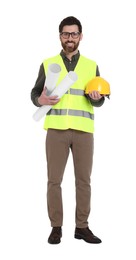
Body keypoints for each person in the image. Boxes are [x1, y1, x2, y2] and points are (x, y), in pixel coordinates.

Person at [31, 16, 105, 244]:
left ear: (80, 36)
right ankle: (56, 227)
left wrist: (97, 98)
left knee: (84, 181)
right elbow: (34, 94)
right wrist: (39, 99)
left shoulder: (91, 65)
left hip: (84, 131)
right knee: (54, 181)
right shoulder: (48, 63)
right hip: (56, 130)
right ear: (60, 36)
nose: (69, 38)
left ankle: (81, 227)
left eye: (74, 34)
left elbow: (100, 100)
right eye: (66, 34)